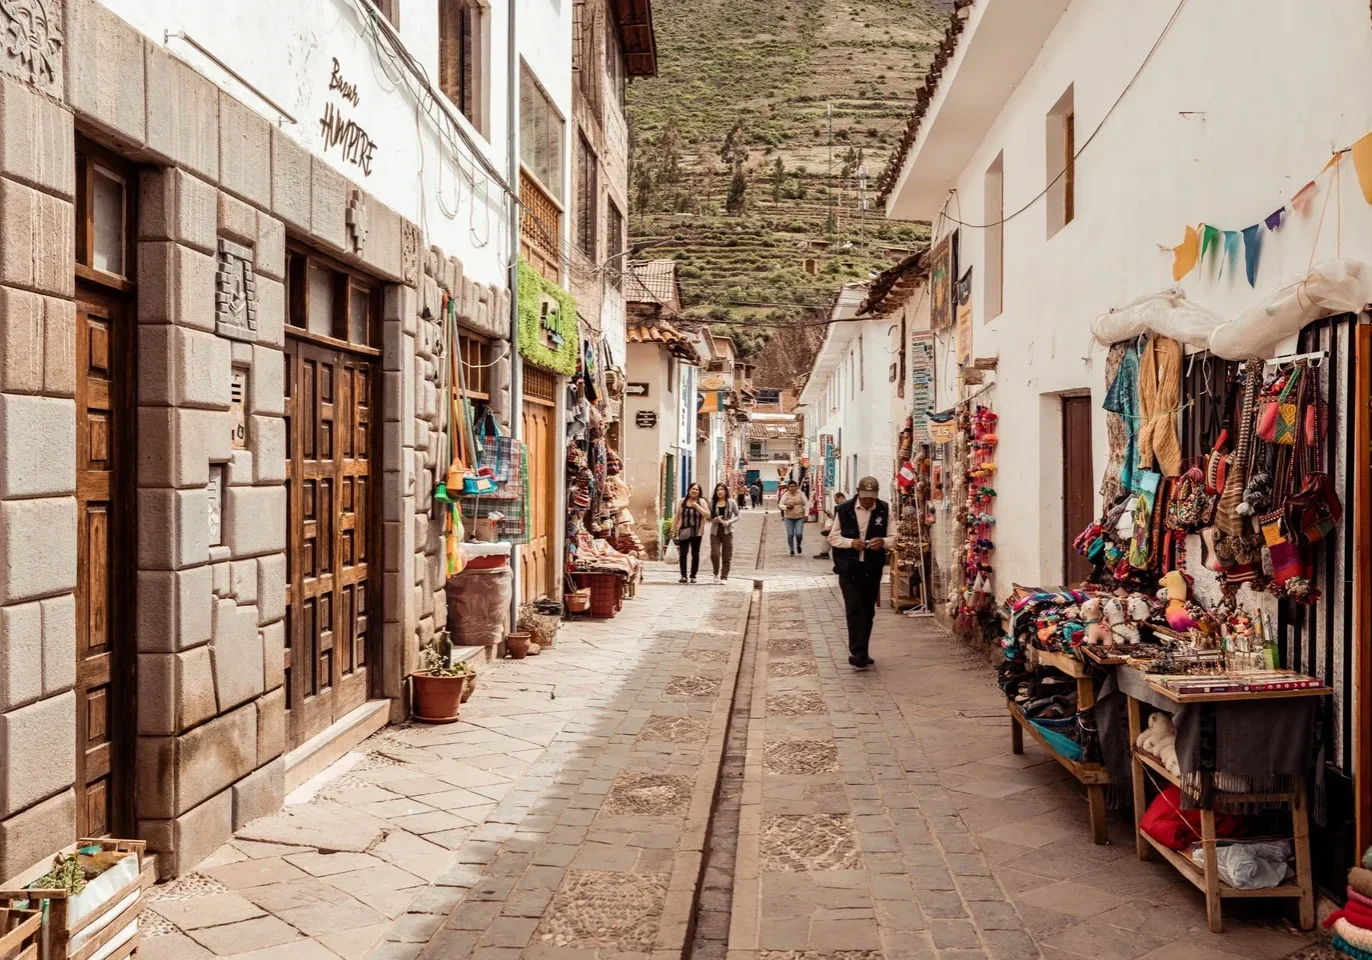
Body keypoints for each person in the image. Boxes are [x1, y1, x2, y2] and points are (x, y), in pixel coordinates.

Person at [828, 477, 889, 669]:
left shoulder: (884, 509)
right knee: (854, 609)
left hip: (871, 567)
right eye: (864, 498)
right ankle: (858, 652)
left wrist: (884, 542)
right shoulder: (844, 509)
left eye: (871, 498)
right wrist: (851, 543)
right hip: (848, 568)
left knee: (867, 610)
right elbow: (833, 536)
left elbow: (894, 536)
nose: (868, 502)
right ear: (858, 492)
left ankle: (863, 651)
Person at [671, 483, 709, 583]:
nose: (694, 491)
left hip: (697, 532)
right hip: (684, 531)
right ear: (689, 490)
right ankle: (683, 576)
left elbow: (708, 514)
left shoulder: (702, 502)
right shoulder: (682, 502)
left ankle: (693, 576)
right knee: (683, 553)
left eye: (697, 489)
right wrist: (672, 529)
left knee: (695, 554)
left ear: (699, 492)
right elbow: (677, 516)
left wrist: (697, 507)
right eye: (693, 489)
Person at [708, 482, 739, 583]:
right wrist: (715, 519)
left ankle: (724, 577)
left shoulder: (731, 502)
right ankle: (716, 573)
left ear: (726, 491)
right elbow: (708, 518)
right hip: (715, 532)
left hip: (727, 531)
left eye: (722, 489)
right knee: (715, 554)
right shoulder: (711, 503)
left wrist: (729, 522)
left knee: (727, 555)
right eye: (718, 490)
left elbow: (738, 515)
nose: (720, 492)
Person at [779, 480, 809, 556]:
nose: (792, 488)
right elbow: (780, 505)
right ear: (788, 487)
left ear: (796, 487)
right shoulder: (786, 494)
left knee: (799, 533)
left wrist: (806, 514)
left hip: (799, 516)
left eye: (793, 486)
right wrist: (786, 507)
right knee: (790, 534)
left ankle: (798, 544)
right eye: (790, 486)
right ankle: (791, 550)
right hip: (789, 517)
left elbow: (806, 503)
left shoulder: (800, 493)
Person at [814, 491, 846, 559]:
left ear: (841, 498)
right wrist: (832, 516)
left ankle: (824, 552)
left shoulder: (845, 507)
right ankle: (824, 552)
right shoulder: (841, 507)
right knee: (829, 533)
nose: (835, 502)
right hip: (841, 526)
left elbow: (843, 519)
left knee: (829, 534)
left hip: (844, 528)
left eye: (836, 500)